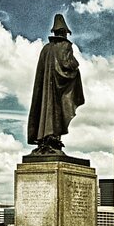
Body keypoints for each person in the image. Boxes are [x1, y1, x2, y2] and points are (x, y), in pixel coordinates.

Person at [27, 14, 84, 154]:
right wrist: (76, 67)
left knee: (46, 110)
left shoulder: (45, 49)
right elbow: (68, 64)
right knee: (56, 112)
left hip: (46, 90)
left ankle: (44, 137)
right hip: (59, 90)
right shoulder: (65, 46)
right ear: (64, 32)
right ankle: (51, 137)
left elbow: (40, 74)